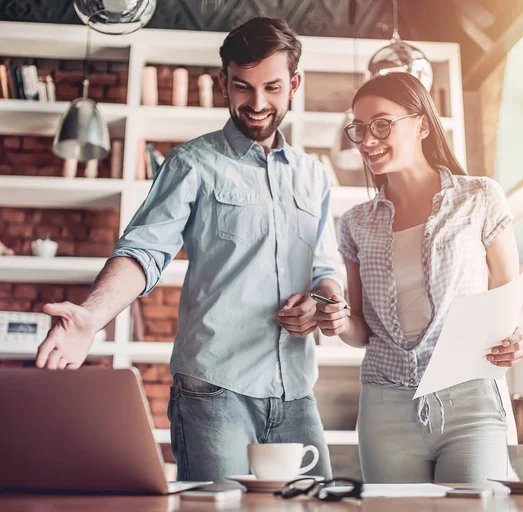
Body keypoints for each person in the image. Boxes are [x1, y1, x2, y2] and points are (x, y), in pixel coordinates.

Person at [35, 17, 343, 483]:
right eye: (242, 87)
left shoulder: (314, 176)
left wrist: (323, 301)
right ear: (223, 83)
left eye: (272, 88)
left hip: (296, 391)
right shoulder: (192, 163)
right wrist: (93, 317)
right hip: (214, 393)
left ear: (294, 84)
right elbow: (144, 251)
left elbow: (325, 265)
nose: (257, 104)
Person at [314, 72, 523, 484]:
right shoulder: (357, 222)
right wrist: (339, 322)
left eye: (381, 124)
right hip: (385, 405)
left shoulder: (479, 197)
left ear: (423, 124)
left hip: (472, 396)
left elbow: (510, 293)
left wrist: (517, 333)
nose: (367, 139)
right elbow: (360, 329)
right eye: (358, 129)